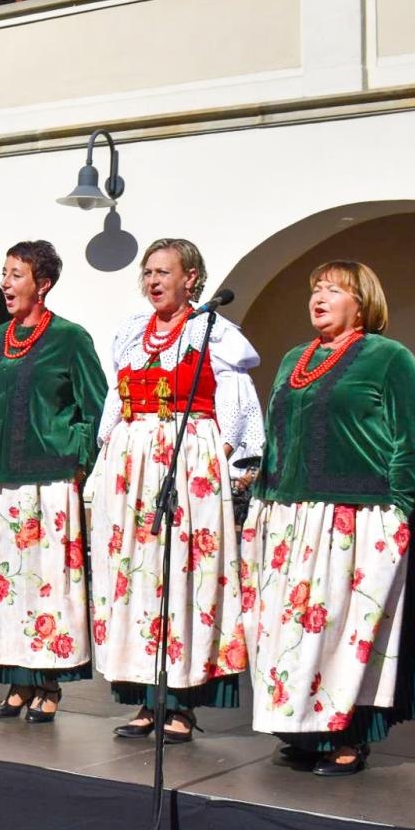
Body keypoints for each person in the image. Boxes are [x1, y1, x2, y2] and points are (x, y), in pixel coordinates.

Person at [242, 260, 415, 776]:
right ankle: (304, 730)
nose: (319, 297)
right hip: (290, 514)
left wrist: (397, 506)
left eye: (333, 289)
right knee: (293, 633)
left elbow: (412, 440)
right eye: (316, 289)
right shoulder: (292, 360)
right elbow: (277, 437)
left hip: (358, 514)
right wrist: (264, 498)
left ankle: (348, 736)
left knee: (348, 629)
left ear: (362, 302)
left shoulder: (389, 358)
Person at [90, 240, 263, 742]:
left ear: (191, 278)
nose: (153, 281)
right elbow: (113, 402)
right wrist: (108, 459)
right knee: (134, 578)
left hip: (190, 462)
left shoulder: (215, 333)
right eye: (147, 273)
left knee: (187, 577)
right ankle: (145, 698)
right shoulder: (129, 334)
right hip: (133, 466)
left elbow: (237, 408)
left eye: (163, 272)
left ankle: (183, 704)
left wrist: (231, 466)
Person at [0, 241, 106, 722]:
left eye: (16, 275)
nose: (6, 283)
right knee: (1, 585)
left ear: (43, 284)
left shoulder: (70, 338)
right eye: (4, 273)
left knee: (44, 583)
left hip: (45, 480)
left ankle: (49, 681)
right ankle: (16, 680)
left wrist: (75, 458)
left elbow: (95, 408)